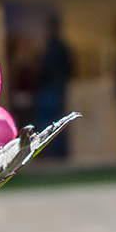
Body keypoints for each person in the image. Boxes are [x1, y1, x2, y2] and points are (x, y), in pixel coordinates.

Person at [34, 19, 73, 157]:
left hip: (52, 88)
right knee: (53, 121)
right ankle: (53, 152)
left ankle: (53, 152)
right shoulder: (56, 46)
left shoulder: (54, 47)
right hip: (53, 87)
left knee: (52, 121)